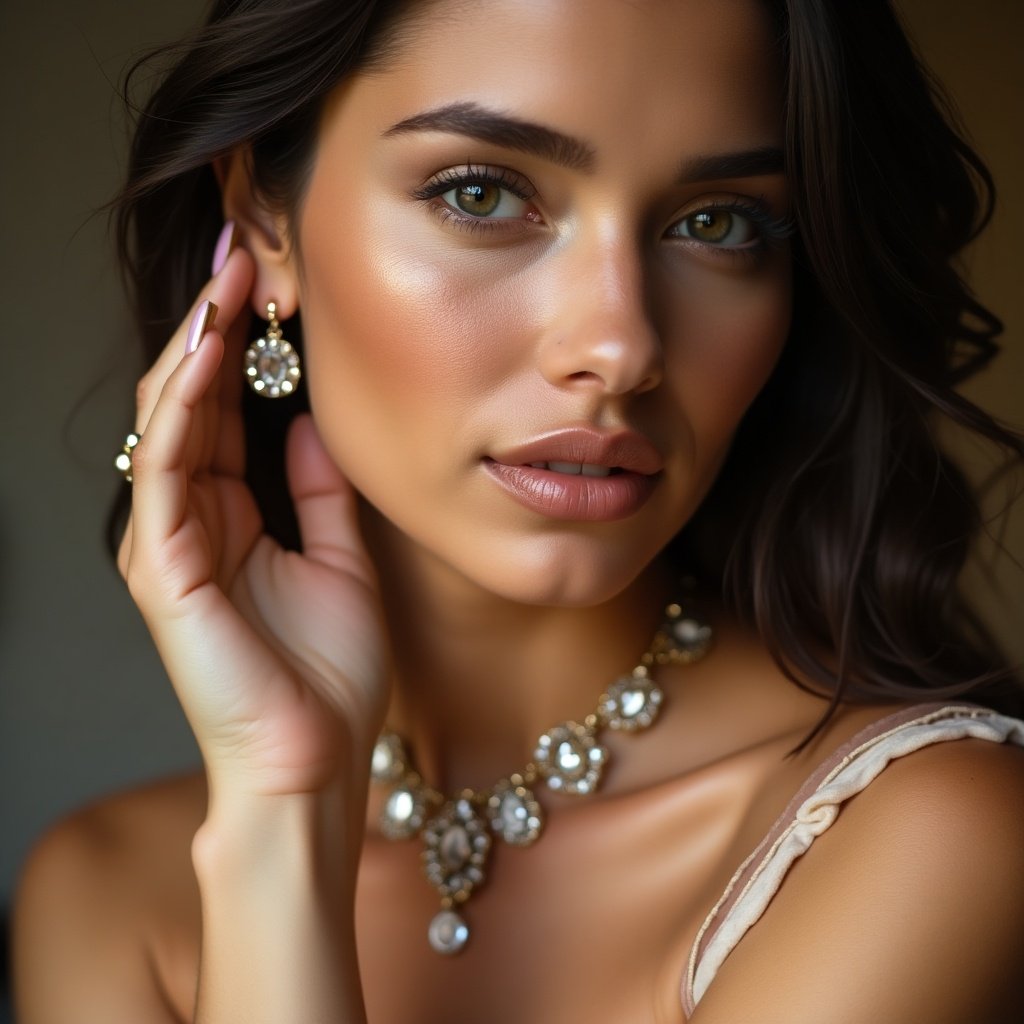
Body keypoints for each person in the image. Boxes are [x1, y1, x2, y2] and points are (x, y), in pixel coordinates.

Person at [11, 0, 1024, 1020]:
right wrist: (283, 808)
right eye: (483, 193)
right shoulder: (105, 895)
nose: (619, 344)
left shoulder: (925, 831)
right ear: (266, 219)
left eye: (717, 222)